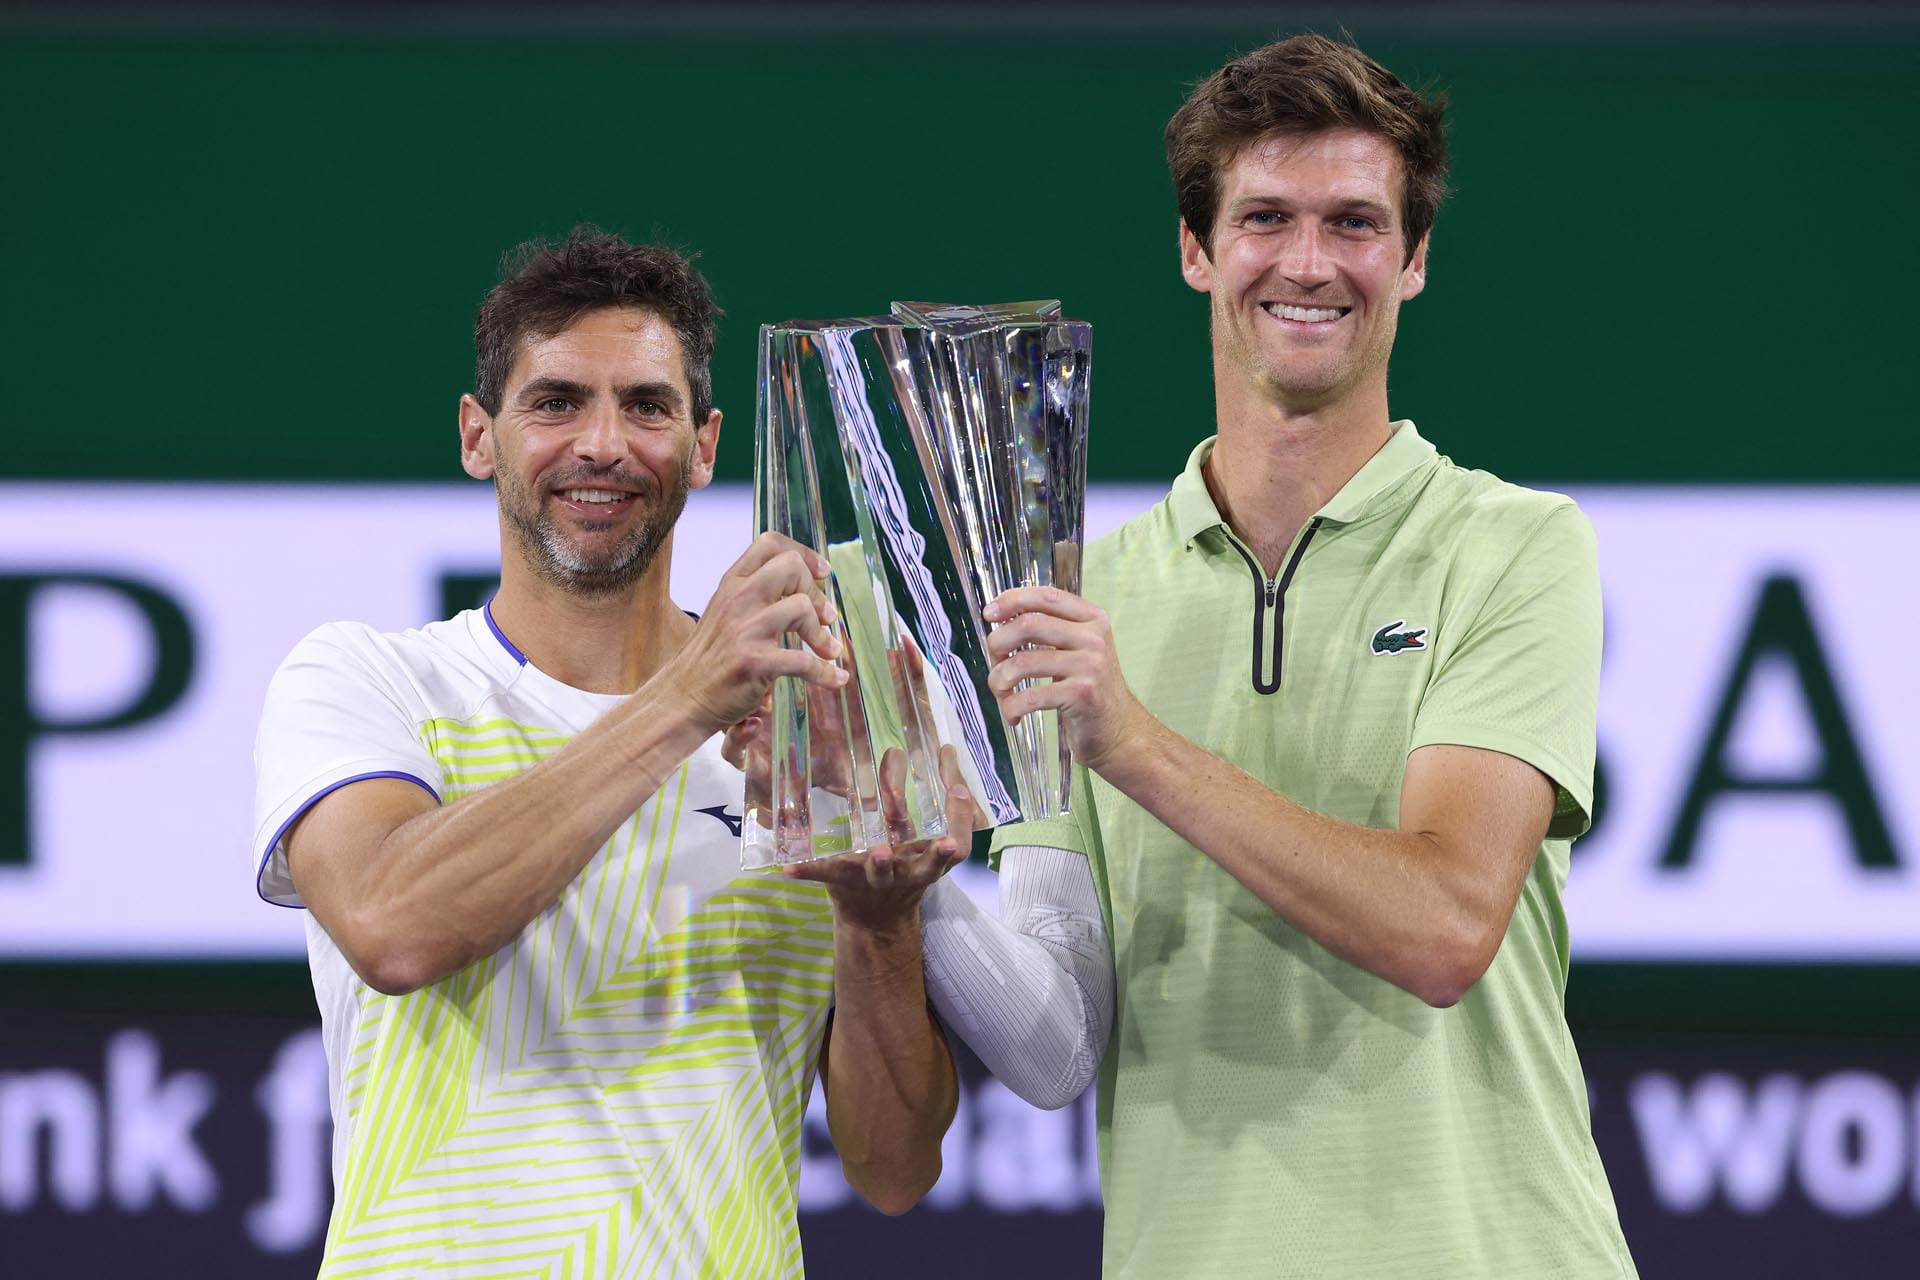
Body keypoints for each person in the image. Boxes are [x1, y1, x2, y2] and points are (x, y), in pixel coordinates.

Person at [920, 33, 1639, 1279]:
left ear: (1412, 261)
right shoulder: (1084, 597)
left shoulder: (1516, 547)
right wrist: (902, 876)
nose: (1309, 263)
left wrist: (1135, 745)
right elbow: (1053, 1047)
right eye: (1265, 217)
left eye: (1356, 222)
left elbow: (1445, 926)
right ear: (1197, 250)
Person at [251, 228, 967, 1278]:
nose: (602, 444)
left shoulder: (806, 731)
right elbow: (391, 925)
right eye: (554, 402)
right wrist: (686, 694)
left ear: (706, 442)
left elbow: (895, 1162)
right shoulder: (367, 681)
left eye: (646, 405)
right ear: (477, 435)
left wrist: (878, 914)